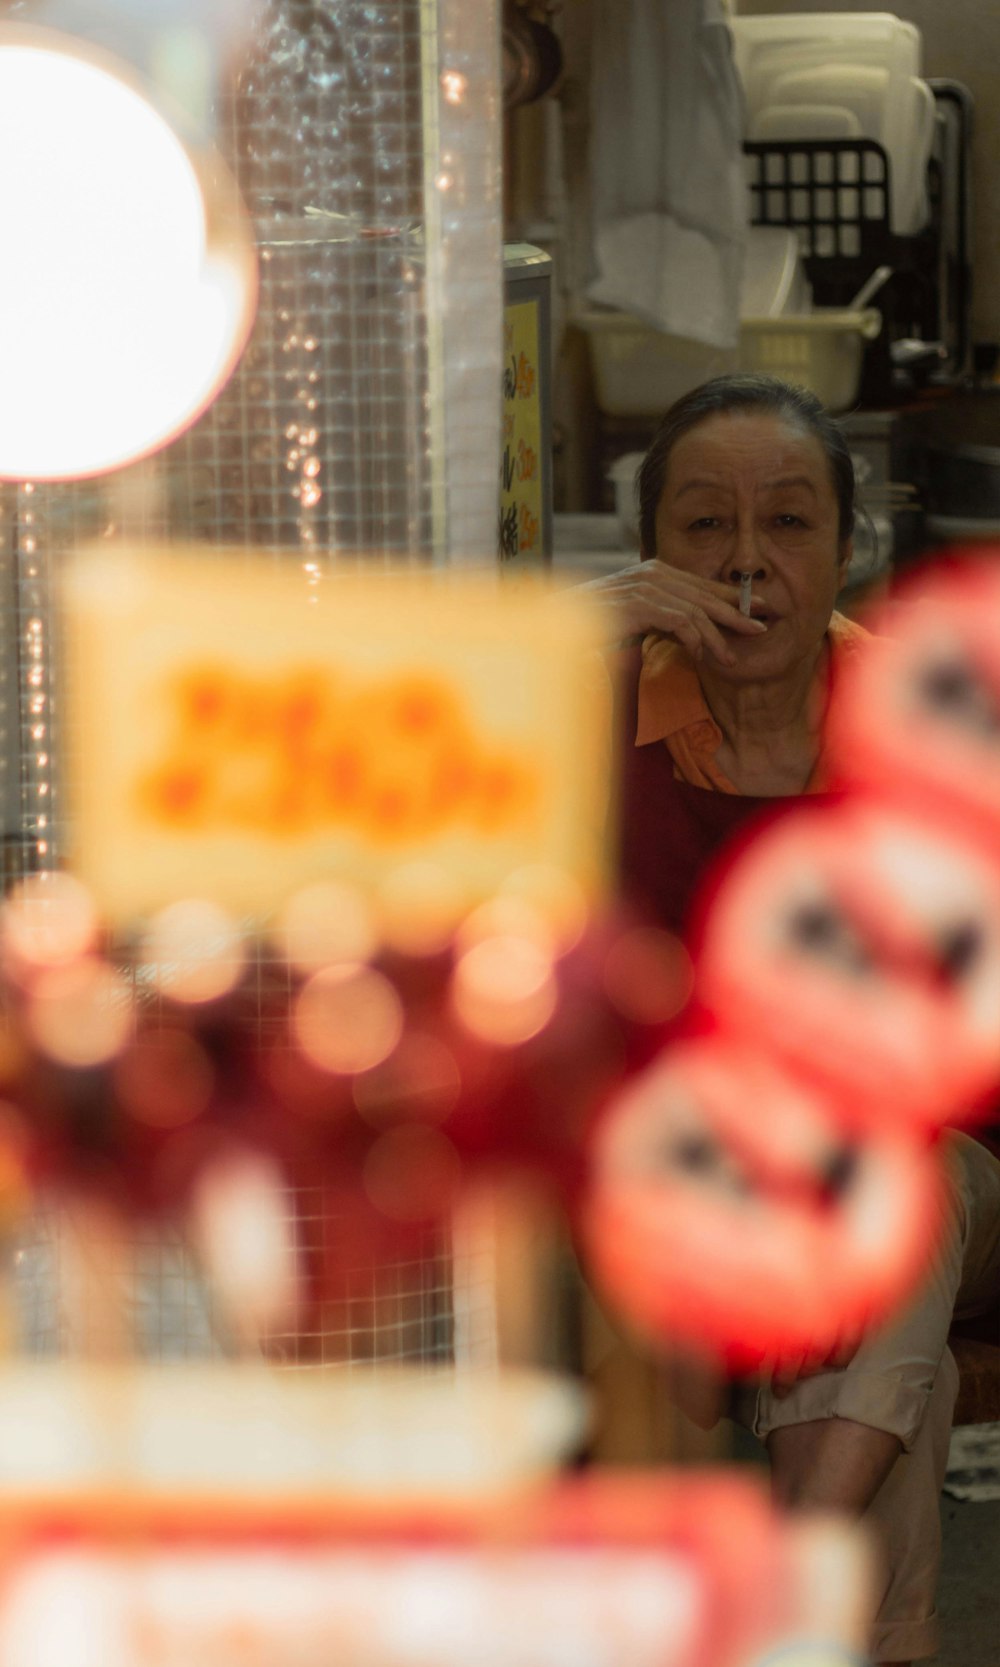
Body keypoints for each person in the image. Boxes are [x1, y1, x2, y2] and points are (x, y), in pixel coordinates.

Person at [580, 372, 1000, 1667]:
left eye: (787, 523)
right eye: (705, 525)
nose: (748, 562)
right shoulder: (594, 720)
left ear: (845, 547)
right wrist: (568, 645)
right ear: (654, 549)